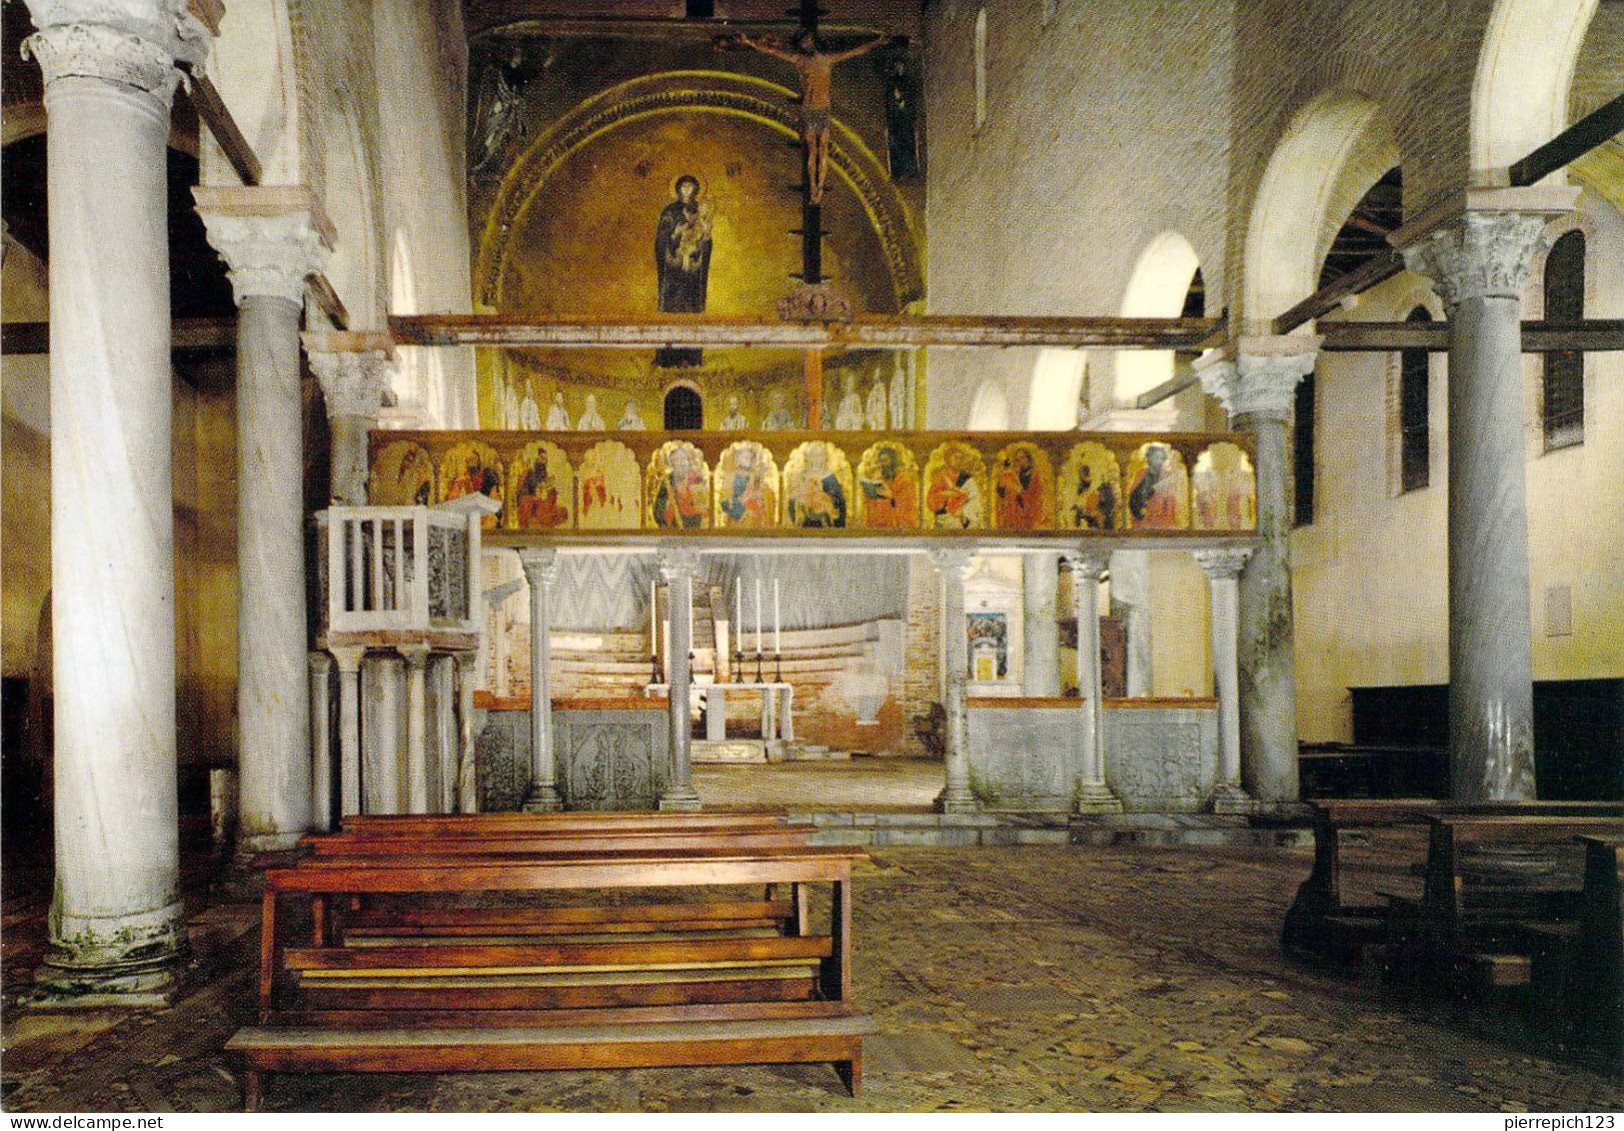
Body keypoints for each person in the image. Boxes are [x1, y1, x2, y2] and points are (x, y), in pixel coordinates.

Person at [730, 30, 891, 203]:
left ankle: (819, 188)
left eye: (807, 41)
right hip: (810, 109)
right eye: (803, 42)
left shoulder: (827, 59)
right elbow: (772, 52)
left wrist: (877, 43)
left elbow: (855, 52)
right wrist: (749, 42)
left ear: (812, 42)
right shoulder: (800, 61)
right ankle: (814, 187)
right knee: (812, 150)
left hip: (822, 109)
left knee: (822, 150)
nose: (805, 44)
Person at [654, 175, 713, 367]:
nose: (687, 191)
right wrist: (674, 238)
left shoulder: (701, 211)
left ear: (696, 189)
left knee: (692, 311)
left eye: (690, 188)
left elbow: (707, 242)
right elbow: (661, 241)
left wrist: (702, 243)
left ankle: (692, 357)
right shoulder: (669, 212)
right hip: (672, 273)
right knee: (671, 312)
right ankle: (667, 358)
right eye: (683, 187)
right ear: (678, 189)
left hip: (693, 275)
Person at [788, 443, 846, 528]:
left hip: (825, 521)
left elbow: (839, 500)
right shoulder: (801, 476)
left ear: (825, 458)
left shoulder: (830, 477)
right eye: (813, 455)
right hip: (804, 522)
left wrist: (825, 498)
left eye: (820, 455)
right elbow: (792, 500)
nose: (816, 459)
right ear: (807, 457)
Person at [859, 444, 917, 528]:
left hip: (897, 530)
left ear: (893, 462)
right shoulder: (878, 481)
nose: (883, 464)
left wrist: (892, 498)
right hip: (878, 530)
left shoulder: (905, 483)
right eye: (881, 461)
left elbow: (908, 509)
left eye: (885, 460)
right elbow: (870, 509)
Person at [926, 446, 982, 529]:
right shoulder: (940, 477)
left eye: (960, 459)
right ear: (948, 459)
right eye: (955, 458)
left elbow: (975, 499)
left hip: (964, 517)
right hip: (944, 518)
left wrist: (963, 512)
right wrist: (948, 495)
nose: (958, 461)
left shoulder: (967, 479)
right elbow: (931, 499)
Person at [653, 446, 706, 529]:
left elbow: (703, 511)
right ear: (672, 464)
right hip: (672, 531)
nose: (682, 463)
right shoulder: (666, 482)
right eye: (677, 460)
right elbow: (658, 510)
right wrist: (667, 506)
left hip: (693, 531)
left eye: (684, 459)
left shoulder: (696, 480)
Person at [994, 447, 1045, 529]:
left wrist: (1018, 491)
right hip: (1015, 515)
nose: (1020, 461)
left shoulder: (1035, 476)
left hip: (1029, 516)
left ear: (1028, 459)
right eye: (1018, 459)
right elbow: (1002, 493)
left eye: (1022, 457)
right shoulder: (1015, 474)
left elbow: (1035, 498)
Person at [516, 449, 569, 529]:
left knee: (562, 511)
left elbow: (548, 490)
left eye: (545, 460)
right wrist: (535, 497)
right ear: (536, 459)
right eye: (542, 458)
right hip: (532, 504)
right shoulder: (530, 474)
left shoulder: (545, 474)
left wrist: (552, 489)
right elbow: (523, 493)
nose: (543, 462)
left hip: (543, 503)